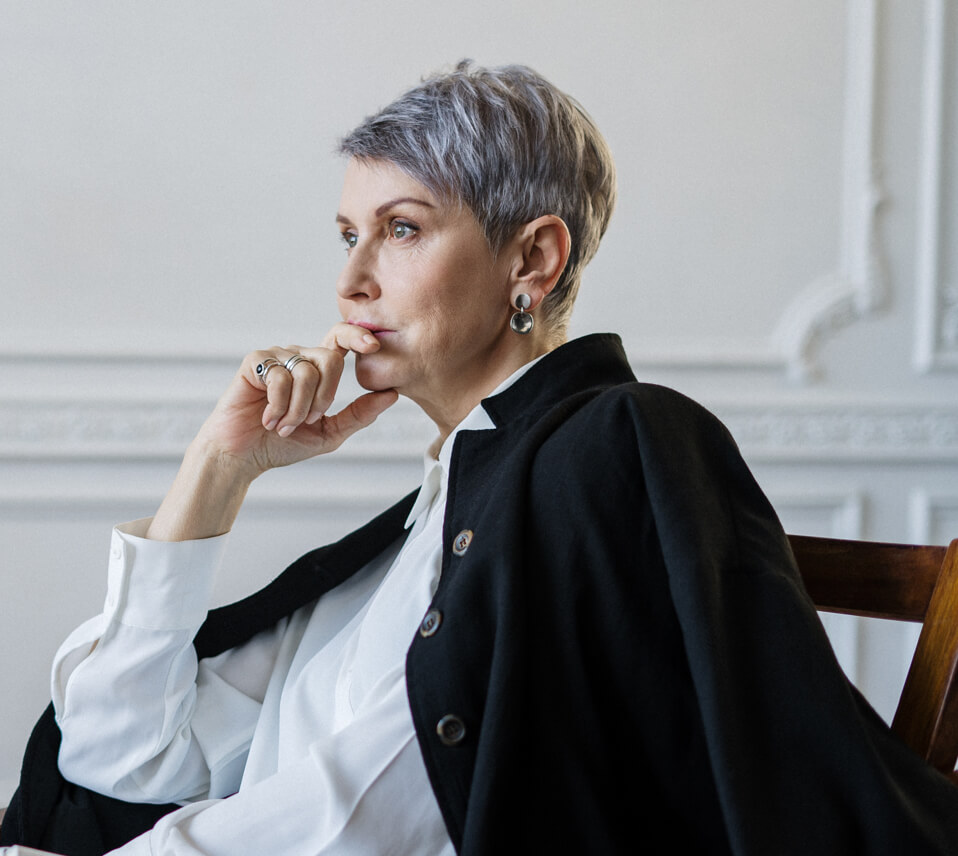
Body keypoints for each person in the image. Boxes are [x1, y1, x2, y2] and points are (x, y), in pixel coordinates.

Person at [4, 60, 958, 856]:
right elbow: (119, 756)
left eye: (401, 229)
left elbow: (387, 813)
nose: (350, 280)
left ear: (532, 261)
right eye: (348, 235)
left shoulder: (608, 448)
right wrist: (216, 471)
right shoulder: (429, 520)